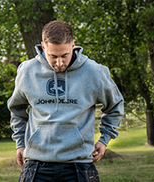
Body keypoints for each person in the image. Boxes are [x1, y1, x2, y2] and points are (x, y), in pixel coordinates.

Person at [7, 20, 124, 182]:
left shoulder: (95, 72)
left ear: (73, 46)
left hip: (79, 166)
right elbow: (16, 109)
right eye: (53, 56)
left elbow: (115, 105)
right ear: (43, 47)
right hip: (36, 165)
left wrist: (104, 139)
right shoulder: (27, 71)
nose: (59, 63)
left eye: (64, 55)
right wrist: (20, 142)